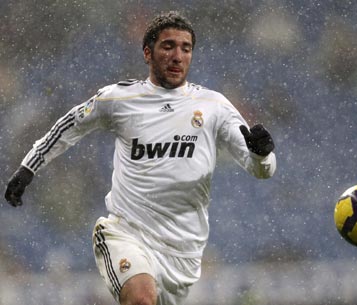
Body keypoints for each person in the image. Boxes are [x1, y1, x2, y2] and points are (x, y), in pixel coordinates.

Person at [4, 11, 276, 305]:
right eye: (168, 46)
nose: (177, 56)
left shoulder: (214, 106)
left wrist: (262, 154)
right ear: (148, 53)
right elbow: (69, 126)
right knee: (142, 298)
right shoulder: (120, 99)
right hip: (127, 234)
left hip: (182, 252)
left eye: (185, 48)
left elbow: (263, 170)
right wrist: (29, 166)